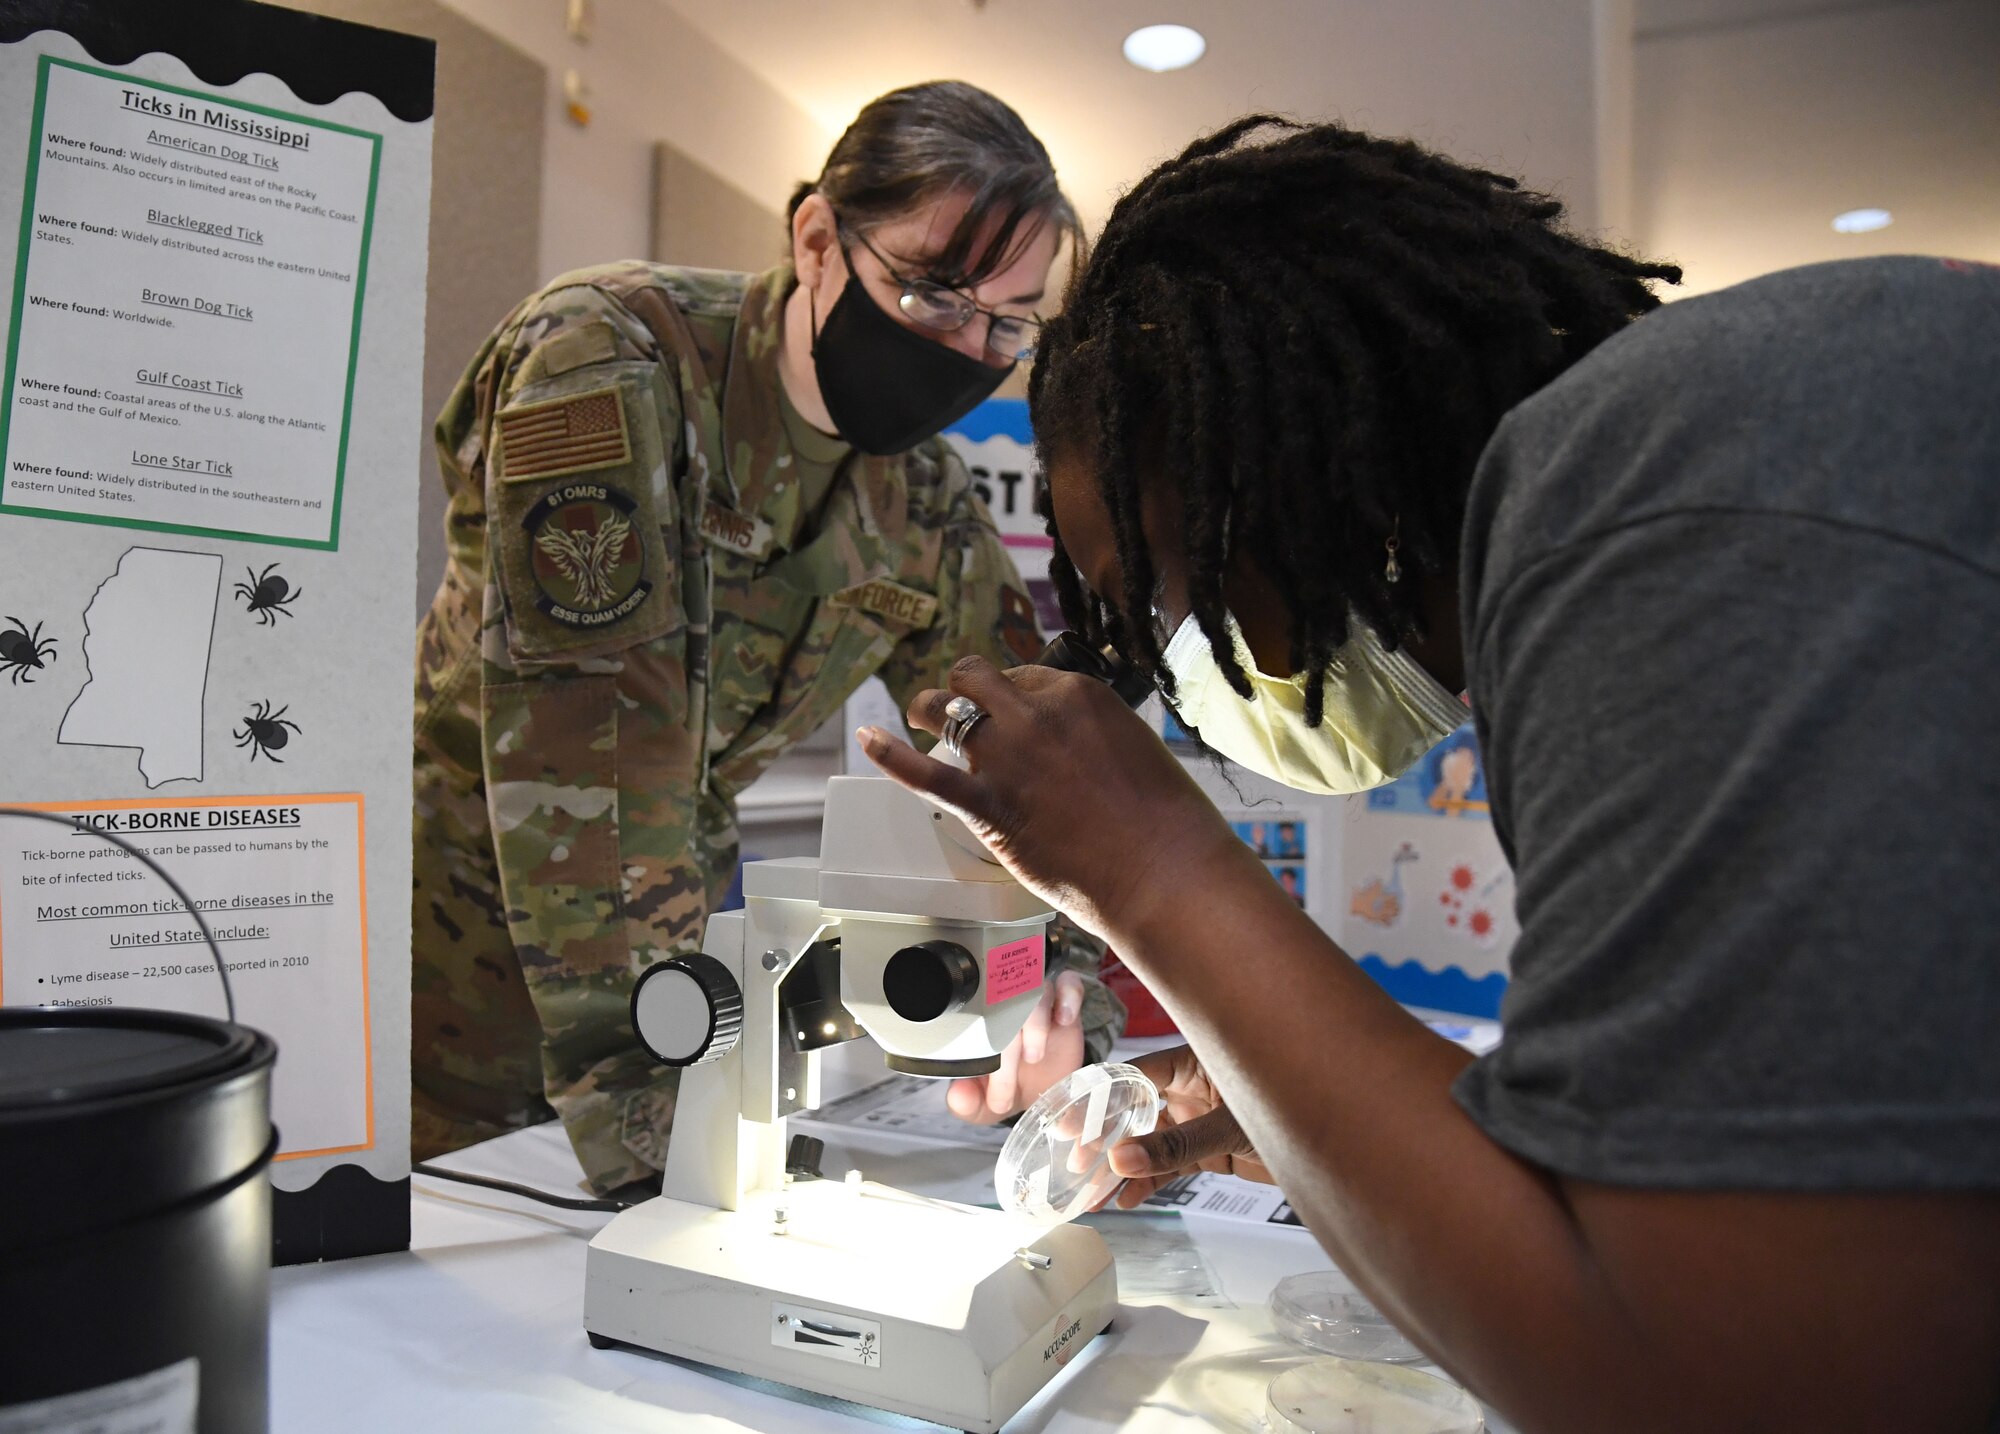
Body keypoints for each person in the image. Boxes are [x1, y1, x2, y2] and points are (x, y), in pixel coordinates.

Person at [860, 118, 2000, 1432]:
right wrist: (1333, 1116)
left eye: (1153, 605)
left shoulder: (1655, 507)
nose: (1167, 674)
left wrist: (1147, 866)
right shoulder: (1702, 456)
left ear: (1277, 468)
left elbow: (1697, 1371)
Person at [411, 81, 1122, 1195]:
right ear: (817, 239)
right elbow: (587, 767)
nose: (968, 348)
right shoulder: (607, 358)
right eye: (936, 295)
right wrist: (662, 1126)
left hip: (671, 969)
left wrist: (1058, 986)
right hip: (456, 963)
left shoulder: (923, 503)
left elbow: (1025, 748)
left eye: (1007, 321)